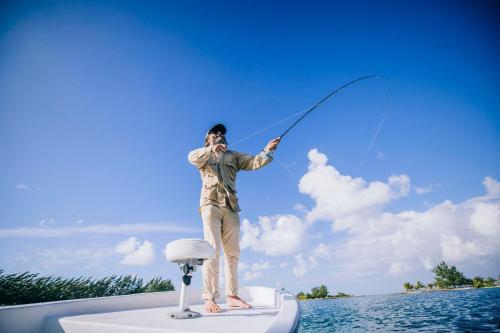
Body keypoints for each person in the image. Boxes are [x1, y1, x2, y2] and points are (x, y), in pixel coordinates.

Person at [188, 123, 280, 313]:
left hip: (231, 207)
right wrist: (211, 149)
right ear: (208, 139)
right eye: (215, 133)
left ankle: (232, 296)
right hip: (210, 205)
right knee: (212, 251)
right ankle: (210, 297)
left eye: (222, 133)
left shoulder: (234, 156)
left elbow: (255, 162)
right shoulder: (202, 155)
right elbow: (191, 157)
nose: (220, 134)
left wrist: (267, 150)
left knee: (233, 253)